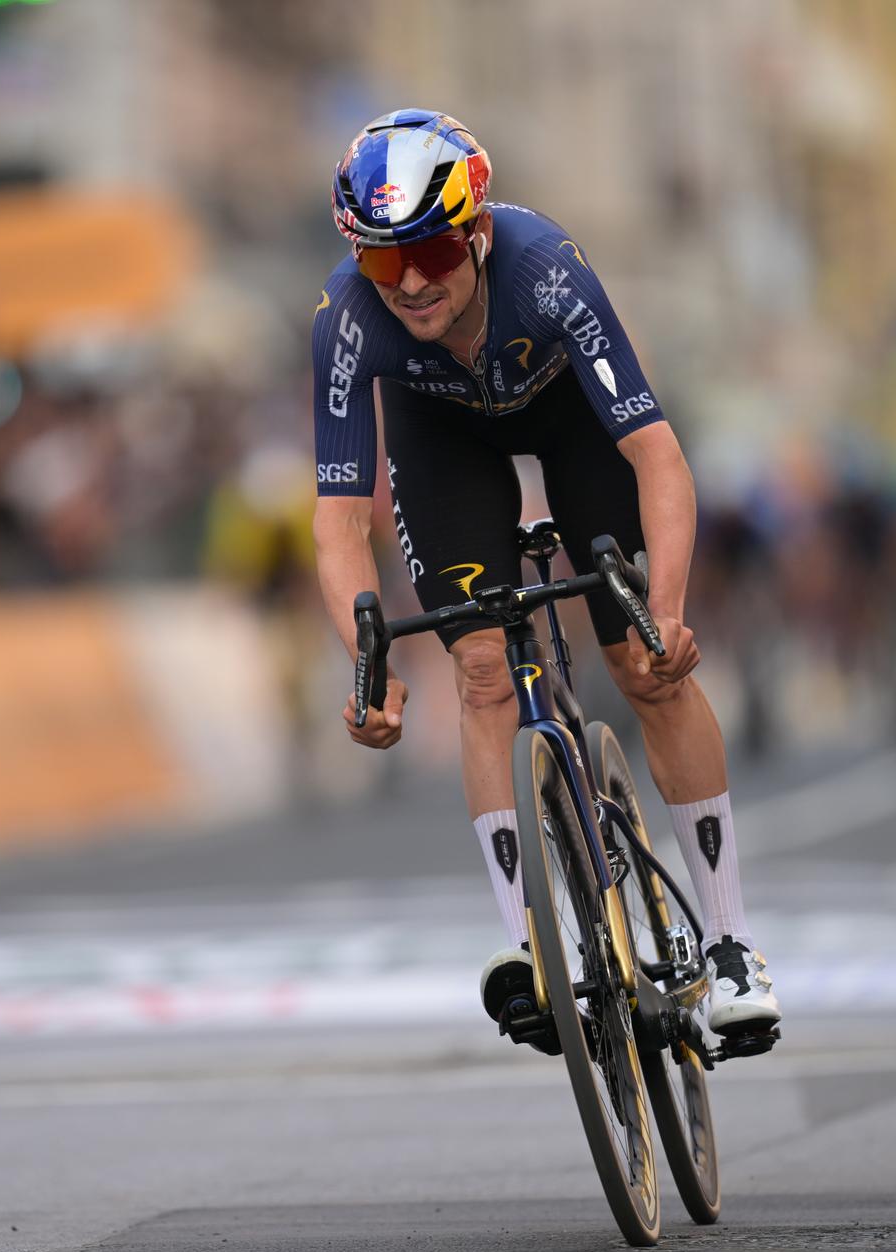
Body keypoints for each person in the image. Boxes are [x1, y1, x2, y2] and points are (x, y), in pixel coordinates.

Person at [309, 109, 780, 1050]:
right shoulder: (348, 318)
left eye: (432, 253)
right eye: (382, 262)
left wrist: (667, 613)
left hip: (572, 421)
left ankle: (730, 947)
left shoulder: (546, 271)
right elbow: (339, 519)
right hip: (445, 443)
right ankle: (533, 946)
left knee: (646, 666)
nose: (410, 284)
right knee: (482, 673)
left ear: (478, 233)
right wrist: (366, 666)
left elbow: (656, 458)